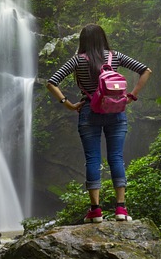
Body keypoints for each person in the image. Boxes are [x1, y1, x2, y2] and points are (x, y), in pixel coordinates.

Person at [46, 23, 152, 223]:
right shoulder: (115, 56)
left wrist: (68, 104)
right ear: (103, 38)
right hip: (117, 112)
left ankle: (95, 211)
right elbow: (146, 70)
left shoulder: (77, 60)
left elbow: (52, 82)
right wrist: (132, 96)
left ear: (83, 41)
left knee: (93, 159)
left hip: (88, 111)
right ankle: (121, 209)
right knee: (116, 158)